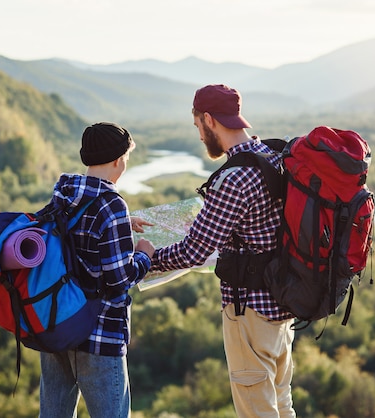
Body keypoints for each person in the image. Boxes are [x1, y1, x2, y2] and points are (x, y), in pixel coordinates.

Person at [151, 84, 296, 417]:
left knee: (256, 411)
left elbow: (192, 253)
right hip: (283, 306)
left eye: (198, 127)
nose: (200, 136)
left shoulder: (232, 179)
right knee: (281, 403)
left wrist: (147, 256)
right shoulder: (274, 157)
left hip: (249, 314)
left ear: (208, 120)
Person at [39, 122, 155, 418]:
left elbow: (72, 236)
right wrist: (144, 255)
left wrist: (122, 226)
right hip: (99, 335)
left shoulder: (65, 193)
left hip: (58, 326)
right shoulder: (113, 205)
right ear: (118, 160)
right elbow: (119, 280)